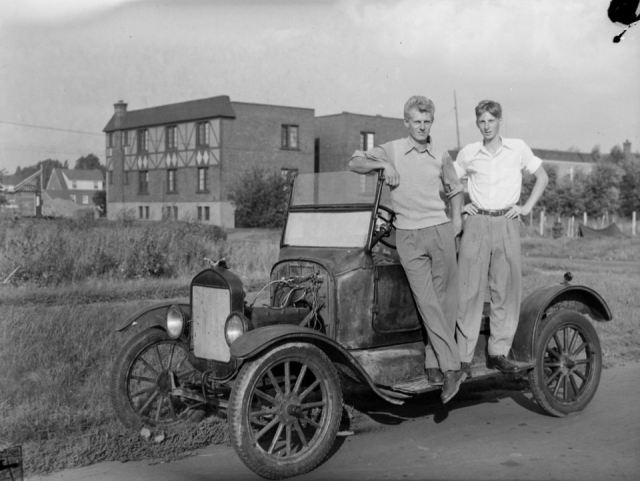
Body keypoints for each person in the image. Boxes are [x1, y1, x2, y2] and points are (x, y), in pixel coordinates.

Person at [348, 95, 466, 404]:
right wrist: (383, 164)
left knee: (445, 303)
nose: (422, 127)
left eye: (427, 122)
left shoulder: (441, 154)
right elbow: (354, 161)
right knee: (427, 302)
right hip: (409, 235)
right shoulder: (393, 150)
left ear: (431, 123)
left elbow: (455, 189)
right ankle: (453, 368)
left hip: (440, 232)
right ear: (406, 122)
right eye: (417, 121)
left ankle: (434, 365)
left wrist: (455, 223)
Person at [454, 100, 548, 374]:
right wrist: (462, 207)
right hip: (477, 223)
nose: (486, 126)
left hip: (507, 222)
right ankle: (463, 357)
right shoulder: (469, 153)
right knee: (468, 290)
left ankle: (498, 352)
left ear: (499, 121)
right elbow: (448, 181)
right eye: (481, 122)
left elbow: (542, 177)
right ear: (477, 124)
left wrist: (526, 208)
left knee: (505, 290)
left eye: (491, 121)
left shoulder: (517, 148)